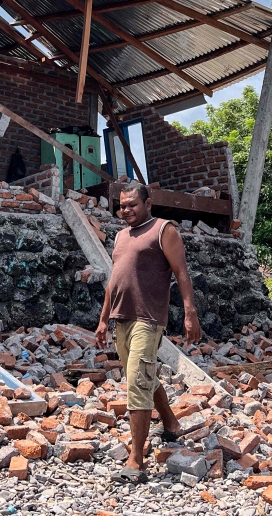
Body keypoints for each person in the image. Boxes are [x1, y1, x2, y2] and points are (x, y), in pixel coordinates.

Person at [95, 180, 202, 483]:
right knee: (141, 375)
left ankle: (135, 461)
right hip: (122, 318)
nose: (125, 209)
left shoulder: (163, 230)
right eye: (122, 205)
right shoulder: (120, 237)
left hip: (148, 318)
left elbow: (181, 273)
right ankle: (171, 424)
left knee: (138, 382)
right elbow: (114, 281)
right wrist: (104, 320)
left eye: (132, 204)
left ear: (148, 203)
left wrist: (189, 313)